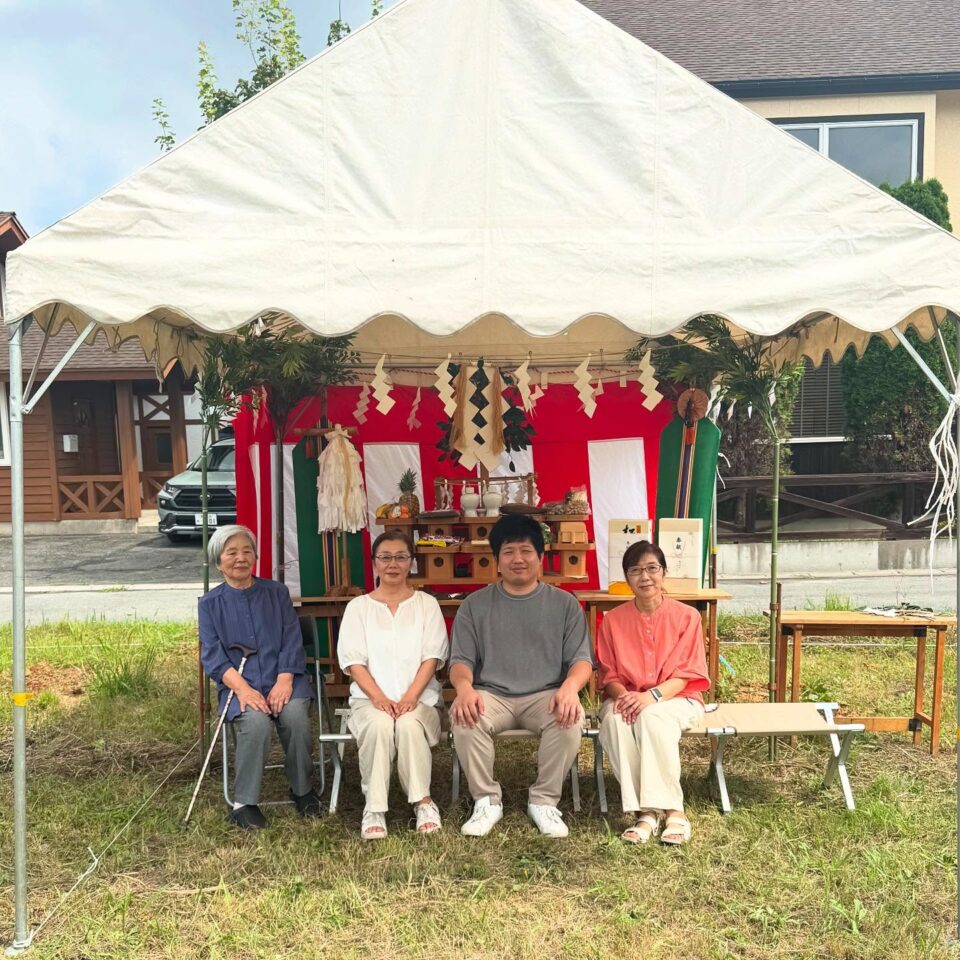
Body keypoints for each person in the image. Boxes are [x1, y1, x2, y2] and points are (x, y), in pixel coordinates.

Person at [450, 514, 593, 838]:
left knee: (569, 715)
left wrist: (570, 688)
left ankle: (544, 801)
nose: (518, 559)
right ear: (497, 560)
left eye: (526, 551)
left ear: (541, 557)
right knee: (464, 715)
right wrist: (464, 688)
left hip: (545, 694)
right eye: (509, 551)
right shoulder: (474, 605)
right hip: (492, 694)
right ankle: (486, 801)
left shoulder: (564, 604)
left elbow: (581, 660)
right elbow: (460, 661)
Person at [199, 525, 320, 830]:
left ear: (255, 556)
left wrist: (285, 679)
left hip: (285, 678)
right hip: (240, 685)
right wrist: (243, 690)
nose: (241, 558)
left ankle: (303, 790)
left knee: (295, 717)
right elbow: (212, 656)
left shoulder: (276, 593)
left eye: (246, 551)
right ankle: (244, 804)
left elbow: (292, 638)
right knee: (255, 723)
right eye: (232, 553)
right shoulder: (209, 605)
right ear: (218, 562)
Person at [597, 540, 710, 845]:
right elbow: (609, 673)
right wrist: (623, 697)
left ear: (663, 572)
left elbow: (687, 674)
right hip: (627, 696)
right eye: (635, 570)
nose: (644, 577)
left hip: (676, 699)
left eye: (651, 569)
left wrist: (650, 697)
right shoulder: (612, 621)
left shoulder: (688, 617)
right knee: (614, 720)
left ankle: (674, 811)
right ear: (626, 577)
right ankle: (646, 812)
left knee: (652, 718)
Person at [337, 531, 448, 840]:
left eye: (401, 557)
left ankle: (422, 802)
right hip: (370, 701)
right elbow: (353, 661)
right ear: (374, 564)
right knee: (379, 726)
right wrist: (380, 698)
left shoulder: (427, 605)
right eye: (385, 557)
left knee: (410, 725)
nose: (393, 564)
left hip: (421, 700)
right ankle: (374, 808)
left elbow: (433, 656)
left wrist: (411, 697)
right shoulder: (358, 608)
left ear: (410, 563)